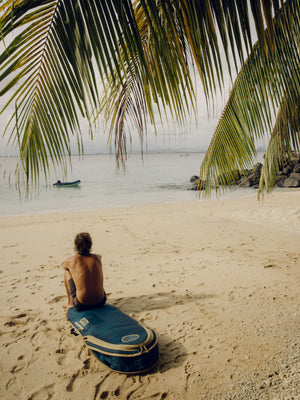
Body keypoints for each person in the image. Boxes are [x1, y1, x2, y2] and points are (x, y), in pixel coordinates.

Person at [63, 232, 106, 310]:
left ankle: (69, 302)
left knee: (67, 270)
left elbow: (63, 266)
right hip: (101, 302)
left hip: (81, 304)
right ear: (90, 244)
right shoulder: (98, 257)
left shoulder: (71, 260)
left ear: (76, 245)